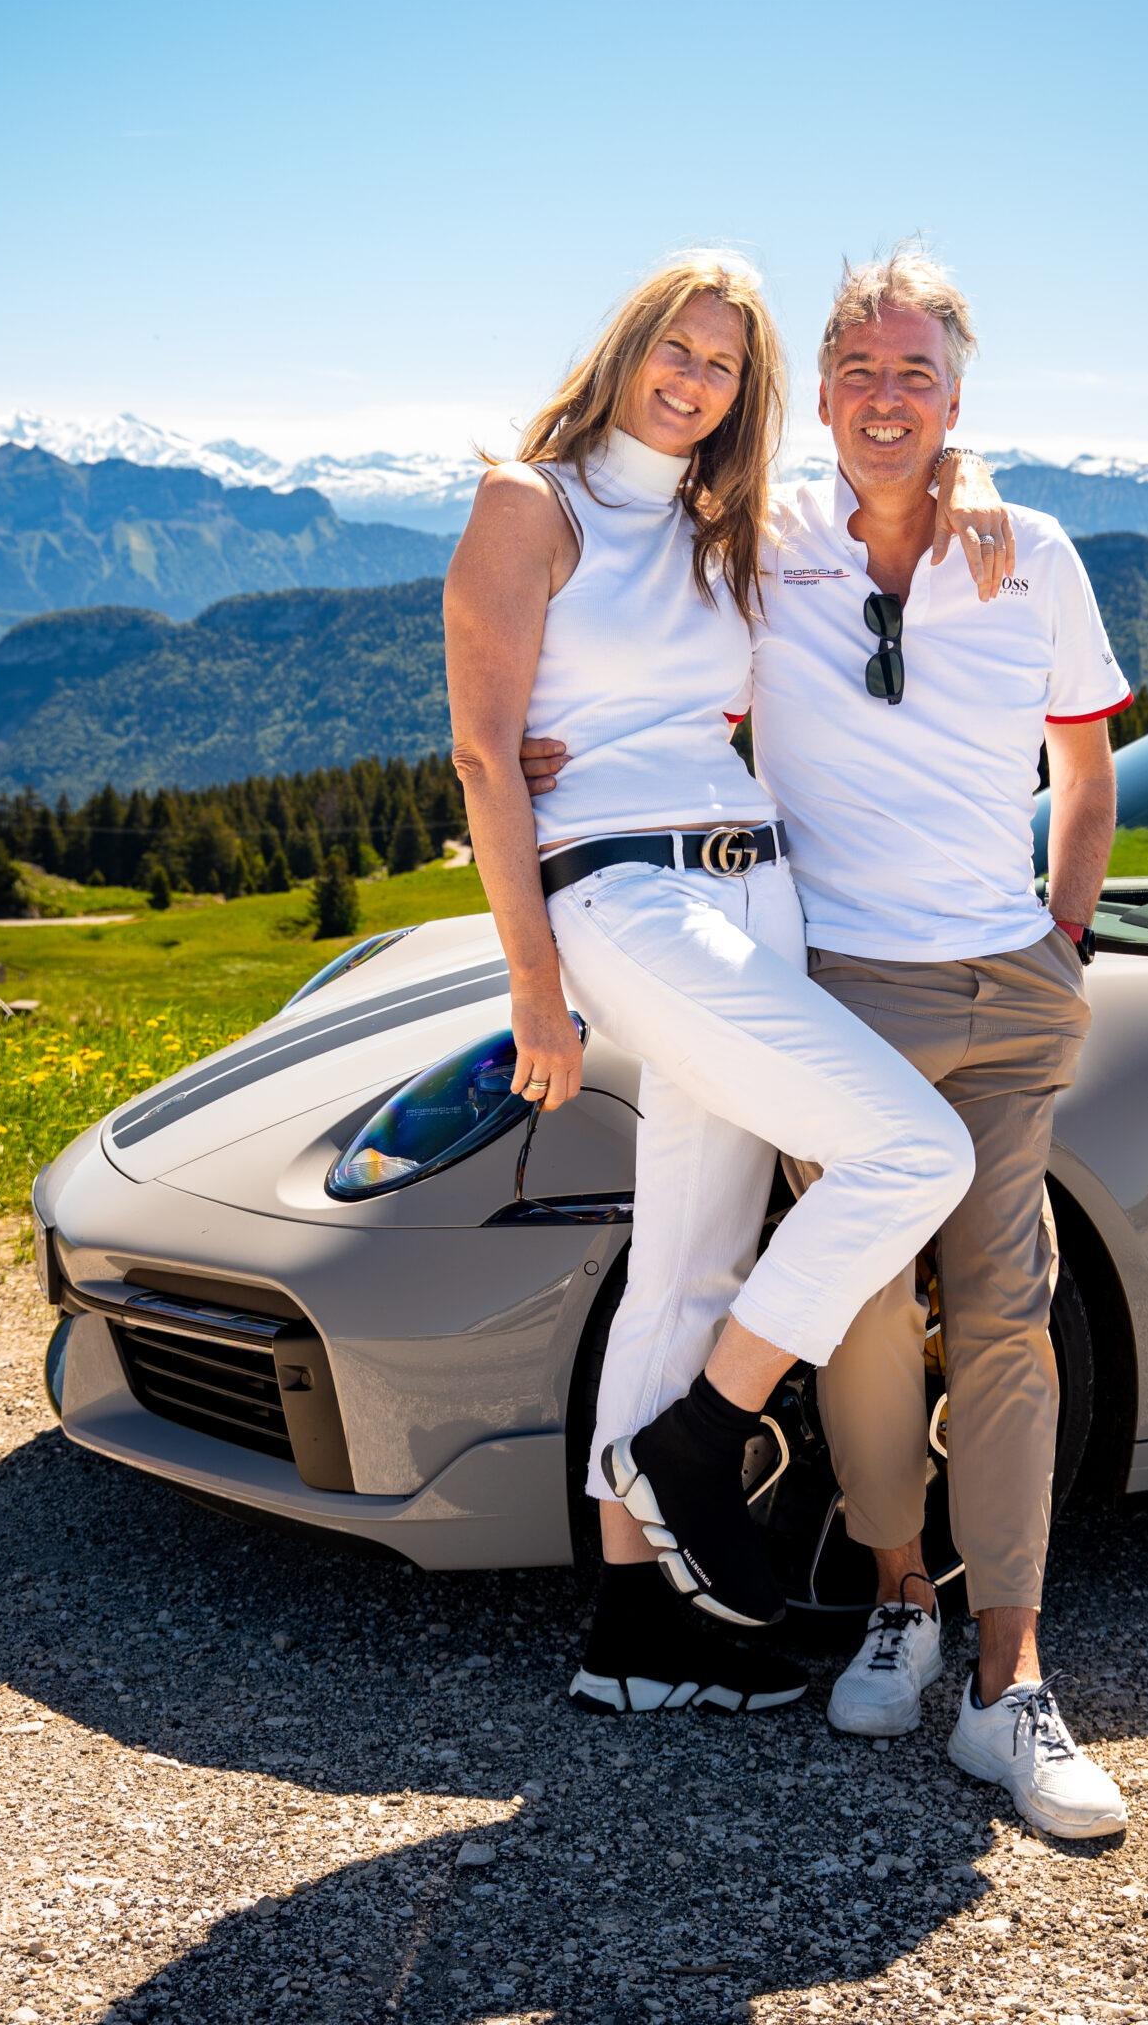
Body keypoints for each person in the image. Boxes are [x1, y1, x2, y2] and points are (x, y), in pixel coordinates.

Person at [523, 247, 1130, 1836]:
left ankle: (1010, 1684)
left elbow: (1086, 758)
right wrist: (544, 746)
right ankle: (893, 1601)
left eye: (917, 378)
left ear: (957, 399)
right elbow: (619, 619)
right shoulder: (764, 533)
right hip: (841, 975)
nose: (884, 400)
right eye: (859, 371)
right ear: (825, 392)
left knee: (1007, 1321)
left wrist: (1061, 934)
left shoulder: (1031, 548)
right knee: (858, 1321)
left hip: (1008, 982)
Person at [445, 249, 1008, 1721]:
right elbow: (483, 752)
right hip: (626, 892)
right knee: (912, 1151)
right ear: (629, 342)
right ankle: (696, 1442)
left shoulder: (725, 514)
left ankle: (637, 1627)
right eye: (680, 350)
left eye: (727, 367)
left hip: (758, 884)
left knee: (691, 1255)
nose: (697, 382)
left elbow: (892, 469)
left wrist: (979, 476)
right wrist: (534, 988)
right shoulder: (531, 501)